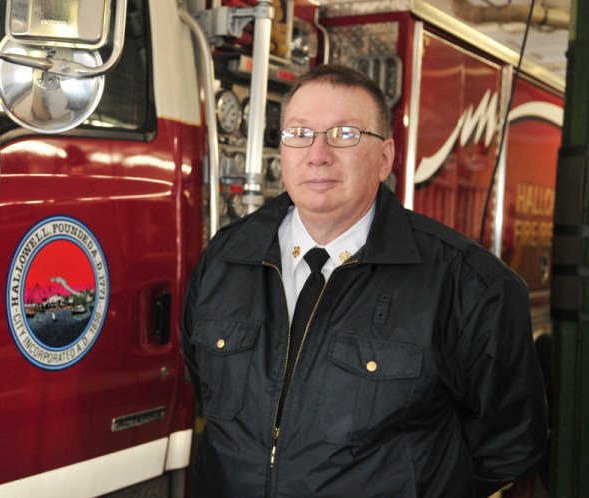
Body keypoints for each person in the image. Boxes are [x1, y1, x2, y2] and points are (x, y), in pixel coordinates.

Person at [180, 64, 548, 497]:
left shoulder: (467, 284)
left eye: (345, 134)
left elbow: (508, 445)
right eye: (300, 134)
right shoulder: (225, 260)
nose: (317, 154)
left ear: (385, 158)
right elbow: (205, 393)